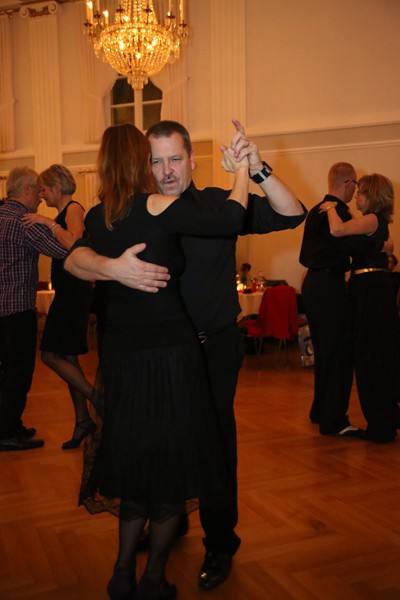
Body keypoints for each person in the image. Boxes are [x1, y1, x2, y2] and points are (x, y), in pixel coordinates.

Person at [65, 119, 307, 591]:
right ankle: (167, 520)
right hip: (152, 356)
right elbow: (74, 256)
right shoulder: (134, 211)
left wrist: (256, 169)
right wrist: (112, 267)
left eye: (175, 159)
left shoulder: (217, 202)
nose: (167, 170)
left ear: (192, 160)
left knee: (212, 447)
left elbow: (292, 212)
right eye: (156, 161)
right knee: (153, 443)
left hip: (211, 347)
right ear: (144, 164)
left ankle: (219, 543)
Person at [300, 163, 390, 439]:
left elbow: (309, 253)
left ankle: (320, 410)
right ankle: (334, 421)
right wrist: (382, 246)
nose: (357, 193)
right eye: (356, 187)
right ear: (348, 183)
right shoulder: (336, 212)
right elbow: (351, 243)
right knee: (337, 353)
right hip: (329, 286)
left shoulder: (317, 210)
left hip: (313, 284)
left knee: (324, 351)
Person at [320, 173, 399, 443]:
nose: (357, 196)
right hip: (367, 289)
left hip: (370, 291)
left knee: (370, 357)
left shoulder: (373, 218)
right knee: (371, 356)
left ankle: (382, 425)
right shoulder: (371, 222)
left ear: (373, 195)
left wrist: (330, 207)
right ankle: (385, 419)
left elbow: (337, 230)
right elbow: (379, 246)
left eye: (362, 192)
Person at [21, 165, 95, 450]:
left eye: (43, 189)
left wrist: (46, 222)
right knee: (68, 357)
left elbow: (74, 242)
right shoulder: (64, 213)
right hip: (69, 290)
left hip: (74, 292)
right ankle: (83, 421)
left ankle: (99, 399)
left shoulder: (73, 208)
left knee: (50, 355)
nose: (41, 194)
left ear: (56, 187)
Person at [0, 167, 69, 451]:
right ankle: (7, 432)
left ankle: (10, 424)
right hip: (18, 310)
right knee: (19, 372)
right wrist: (53, 225)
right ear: (26, 189)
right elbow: (63, 251)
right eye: (37, 190)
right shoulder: (24, 222)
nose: (40, 197)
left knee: (5, 372)